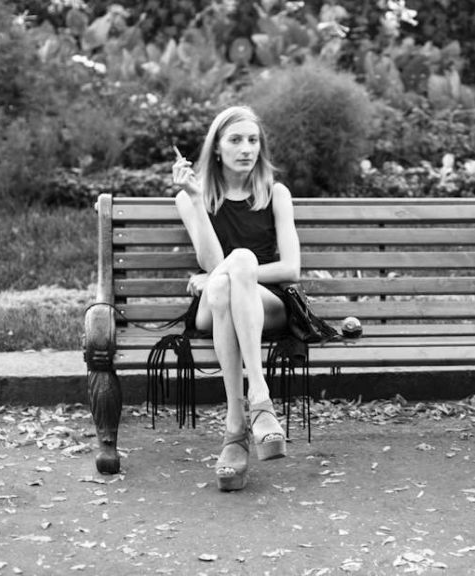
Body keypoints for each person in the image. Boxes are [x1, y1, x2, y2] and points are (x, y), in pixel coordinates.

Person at [171, 105, 300, 492]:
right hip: (214, 306)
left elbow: (291, 268)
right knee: (228, 275)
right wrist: (195, 198)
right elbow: (211, 262)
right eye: (236, 140)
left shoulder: (274, 193)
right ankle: (260, 401)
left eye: (253, 140)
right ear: (216, 147)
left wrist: (237, 273)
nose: (246, 149)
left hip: (267, 303)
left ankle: (235, 427)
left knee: (234, 273)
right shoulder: (191, 196)